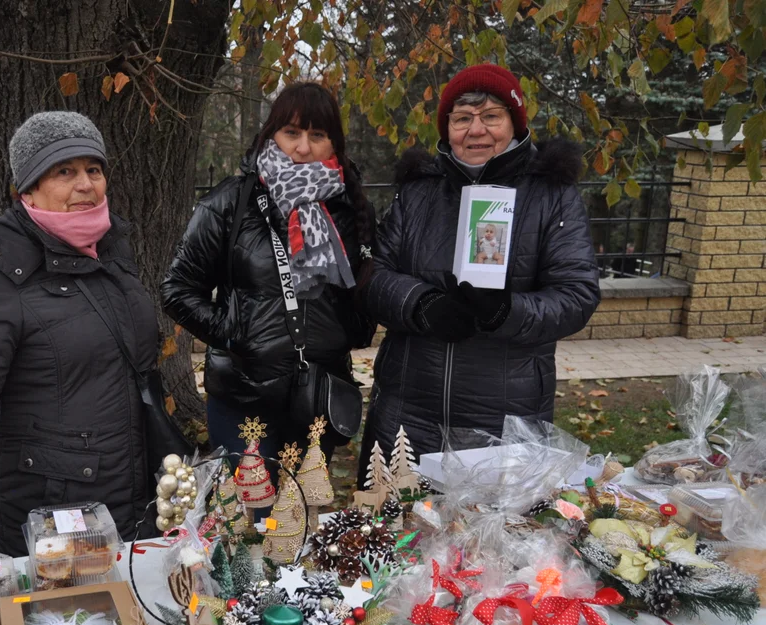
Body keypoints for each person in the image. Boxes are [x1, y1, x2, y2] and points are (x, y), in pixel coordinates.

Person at [0, 111, 159, 558]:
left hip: (127, 501)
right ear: (28, 189)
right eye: (64, 171)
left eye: (93, 169)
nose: (85, 184)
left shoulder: (110, 254)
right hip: (49, 518)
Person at [360, 64, 600, 463]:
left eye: (491, 116)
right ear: (447, 126)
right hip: (408, 413)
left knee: (489, 526)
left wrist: (508, 311)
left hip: (504, 417)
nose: (476, 130)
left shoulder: (551, 194)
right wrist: (420, 304)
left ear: (514, 123)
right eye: (462, 118)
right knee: (398, 523)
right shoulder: (419, 190)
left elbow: (576, 295)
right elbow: (373, 276)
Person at [161, 82, 374, 508]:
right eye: (291, 132)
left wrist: (353, 330)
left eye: (317, 135)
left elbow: (363, 285)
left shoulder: (350, 206)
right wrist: (235, 334)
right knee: (246, 528)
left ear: (334, 141)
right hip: (244, 398)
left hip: (316, 395)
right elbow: (178, 290)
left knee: (300, 527)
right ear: (270, 135)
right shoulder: (230, 203)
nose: (302, 147)